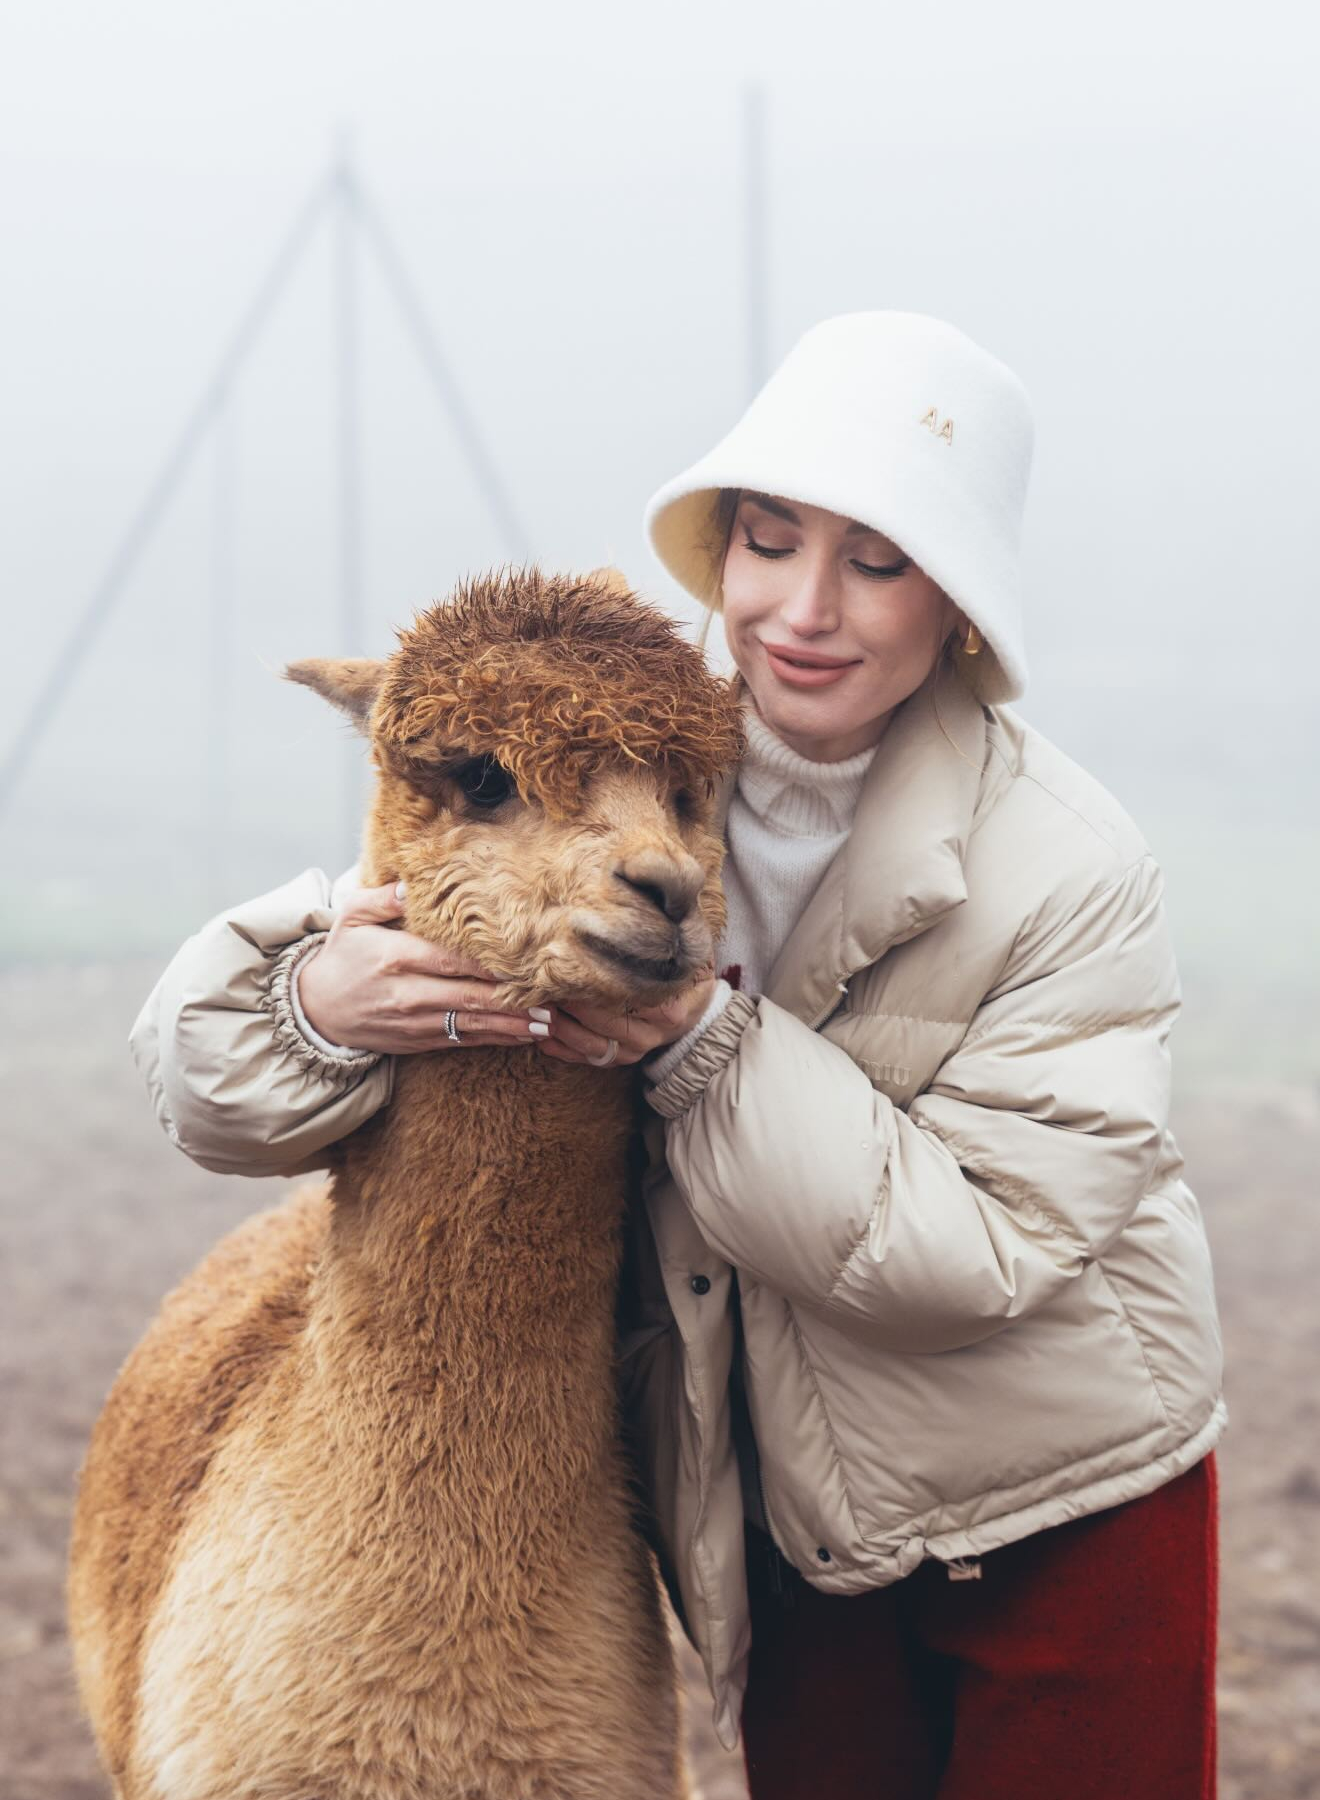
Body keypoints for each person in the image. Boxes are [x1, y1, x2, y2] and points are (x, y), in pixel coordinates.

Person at [130, 311, 1225, 1799]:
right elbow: (256, 1035)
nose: (806, 612)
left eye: (878, 564)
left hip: (1057, 1503)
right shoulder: (638, 752)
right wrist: (321, 992)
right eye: (770, 544)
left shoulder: (1068, 867)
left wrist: (699, 1037)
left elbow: (978, 1250)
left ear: (961, 608)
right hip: (789, 1506)